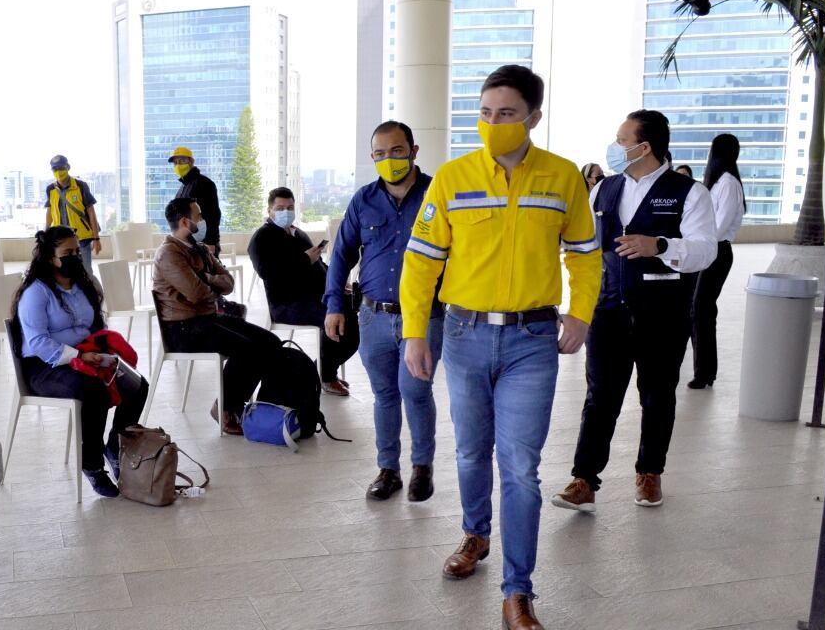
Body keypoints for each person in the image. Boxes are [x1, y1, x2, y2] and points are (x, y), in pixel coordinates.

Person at [400, 66, 601, 630]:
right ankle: (475, 534)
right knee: (470, 452)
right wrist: (415, 330)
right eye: (485, 113)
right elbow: (421, 261)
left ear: (534, 117)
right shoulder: (452, 178)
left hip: (531, 341)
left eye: (506, 114)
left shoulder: (563, 178)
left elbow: (586, 255)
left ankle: (518, 590)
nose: (492, 123)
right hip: (464, 335)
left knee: (519, 467)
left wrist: (581, 313)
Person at [552, 110, 716, 519]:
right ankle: (584, 480)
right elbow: (583, 245)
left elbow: (705, 250)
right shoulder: (603, 190)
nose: (616, 146)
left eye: (622, 140)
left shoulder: (688, 192)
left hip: (663, 314)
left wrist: (659, 245)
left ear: (644, 147)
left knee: (657, 395)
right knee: (600, 396)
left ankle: (650, 472)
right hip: (608, 310)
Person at [324, 121, 443, 503]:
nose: (388, 159)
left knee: (416, 391)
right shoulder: (363, 200)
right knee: (384, 394)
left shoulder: (436, 195)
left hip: (423, 316)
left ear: (413, 151)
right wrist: (334, 305)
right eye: (380, 154)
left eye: (396, 151)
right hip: (373, 315)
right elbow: (341, 255)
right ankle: (388, 469)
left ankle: (422, 466)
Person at [15, 225, 149, 497]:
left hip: (86, 355)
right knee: (94, 390)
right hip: (46, 367)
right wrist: (77, 356)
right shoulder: (36, 293)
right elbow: (38, 342)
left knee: (137, 385)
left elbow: (95, 326)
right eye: (67, 253)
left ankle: (115, 446)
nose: (75, 257)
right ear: (50, 257)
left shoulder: (83, 285)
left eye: (77, 251)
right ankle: (92, 465)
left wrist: (100, 352)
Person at [154, 197, 279, 433]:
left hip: (207, 319)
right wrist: (210, 287)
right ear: (185, 221)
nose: (203, 220)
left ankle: (252, 405)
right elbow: (195, 293)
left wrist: (205, 278)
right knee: (247, 348)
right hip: (182, 329)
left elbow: (228, 282)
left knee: (269, 342)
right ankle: (225, 408)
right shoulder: (169, 253)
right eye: (199, 216)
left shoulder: (200, 249)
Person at [248, 187, 359, 396]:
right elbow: (268, 273)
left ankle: (322, 371)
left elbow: (318, 264)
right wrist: (305, 259)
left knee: (350, 312)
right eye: (280, 208)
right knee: (336, 319)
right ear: (269, 210)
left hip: (314, 297)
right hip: (286, 304)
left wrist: (336, 284)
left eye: (290, 207)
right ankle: (325, 375)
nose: (286, 212)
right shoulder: (262, 238)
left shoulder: (298, 234)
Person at [689, 134, 746, 389]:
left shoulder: (729, 184)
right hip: (707, 250)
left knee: (702, 310)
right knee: (698, 310)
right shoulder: (718, 183)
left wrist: (699, 240)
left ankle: (705, 373)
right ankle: (703, 371)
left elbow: (720, 226)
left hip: (716, 252)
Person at [44, 154, 103, 276]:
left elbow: (91, 213)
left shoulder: (81, 186)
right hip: (60, 239)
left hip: (81, 239)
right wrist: (46, 234)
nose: (59, 172)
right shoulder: (51, 189)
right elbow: (50, 212)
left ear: (68, 167)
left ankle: (88, 289)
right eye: (55, 169)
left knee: (86, 272)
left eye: (61, 168)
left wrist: (96, 239)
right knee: (63, 272)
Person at [170, 146, 222, 255]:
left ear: (191, 161)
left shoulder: (204, 183)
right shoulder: (182, 188)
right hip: (188, 243)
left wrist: (211, 242)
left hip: (204, 243)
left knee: (208, 266)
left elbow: (214, 214)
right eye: (175, 162)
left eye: (182, 161)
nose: (178, 165)